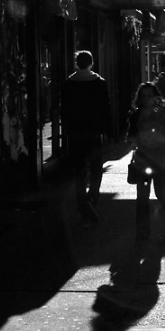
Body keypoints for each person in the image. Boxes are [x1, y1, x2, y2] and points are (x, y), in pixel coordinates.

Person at [61, 50, 112, 224]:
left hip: (76, 132)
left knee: (79, 168)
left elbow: (65, 109)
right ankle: (93, 198)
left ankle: (81, 200)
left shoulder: (69, 83)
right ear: (91, 63)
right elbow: (106, 107)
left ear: (77, 63)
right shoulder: (99, 83)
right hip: (94, 130)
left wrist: (67, 129)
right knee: (96, 167)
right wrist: (108, 130)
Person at [126, 82, 165, 242]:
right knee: (142, 197)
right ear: (140, 99)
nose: (147, 99)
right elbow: (131, 134)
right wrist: (133, 140)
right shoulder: (136, 114)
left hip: (161, 159)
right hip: (143, 158)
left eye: (150, 95)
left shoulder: (163, 113)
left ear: (156, 96)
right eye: (144, 96)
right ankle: (142, 233)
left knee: (161, 192)